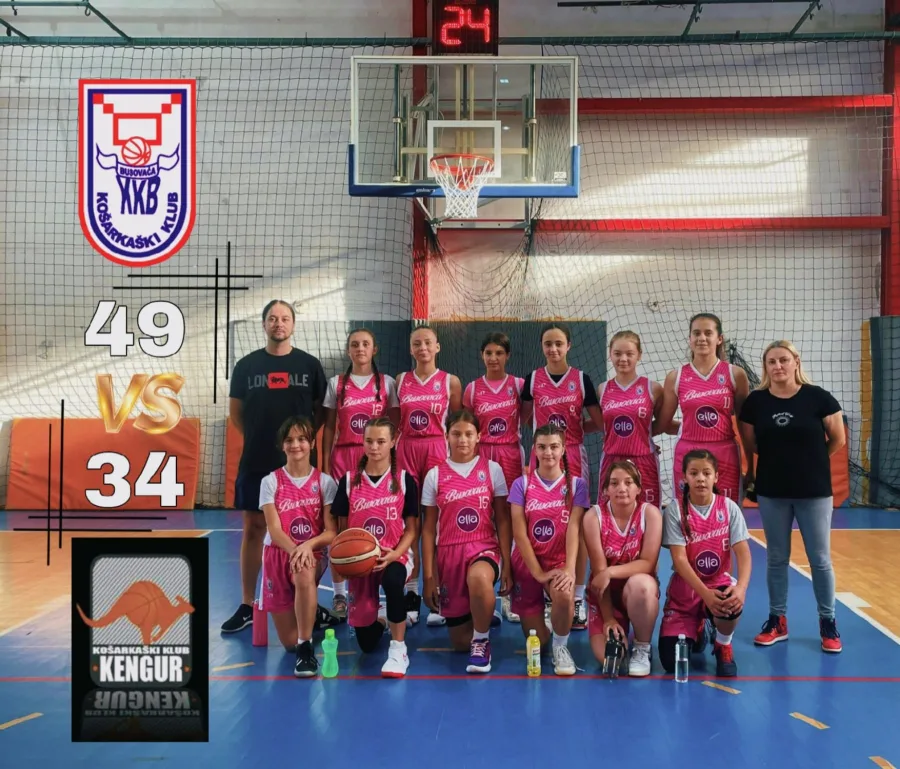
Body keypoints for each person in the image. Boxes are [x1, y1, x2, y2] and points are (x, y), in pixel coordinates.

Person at [222, 299, 329, 635]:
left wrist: (299, 444)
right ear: (264, 324)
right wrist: (261, 438)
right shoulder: (246, 366)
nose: (278, 323)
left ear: (293, 324)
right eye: (272, 318)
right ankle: (247, 604)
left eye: (284, 318)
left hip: (299, 462)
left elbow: (321, 411)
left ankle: (308, 599)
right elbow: (236, 413)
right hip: (257, 459)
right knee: (254, 528)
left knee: (308, 529)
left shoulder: (309, 365)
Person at [738, 340, 845, 653]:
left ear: (796, 361)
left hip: (814, 492)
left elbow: (837, 439)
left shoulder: (818, 397)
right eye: (772, 362)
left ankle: (828, 623)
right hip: (773, 491)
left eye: (783, 360)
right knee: (776, 558)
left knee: (820, 559)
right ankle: (777, 621)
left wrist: (812, 460)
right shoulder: (756, 402)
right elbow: (751, 443)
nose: (778, 366)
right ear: (765, 367)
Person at [520, 322, 604, 630]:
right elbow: (525, 418)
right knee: (538, 521)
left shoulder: (581, 379)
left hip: (573, 455)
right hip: (541, 454)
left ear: (569, 345)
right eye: (548, 344)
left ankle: (577, 596)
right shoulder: (532, 380)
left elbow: (599, 422)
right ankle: (543, 592)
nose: (553, 349)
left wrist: (575, 432)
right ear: (542, 347)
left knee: (575, 527)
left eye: (559, 343)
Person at [421, 410, 512, 674]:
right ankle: (480, 611)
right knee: (461, 643)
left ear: (478, 436)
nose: (462, 439)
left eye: (469, 434)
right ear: (446, 436)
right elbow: (428, 530)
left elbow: (503, 520)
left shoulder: (492, 470)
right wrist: (429, 576)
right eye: (456, 434)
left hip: (483, 546)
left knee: (479, 578)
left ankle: (482, 640)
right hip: (449, 555)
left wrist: (507, 564)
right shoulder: (434, 476)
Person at [331, 417, 419, 677]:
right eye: (369, 441)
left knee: (393, 582)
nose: (374, 447)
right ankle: (382, 617)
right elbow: (342, 533)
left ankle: (398, 649)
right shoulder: (349, 481)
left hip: (394, 555)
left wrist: (396, 554)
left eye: (381, 441)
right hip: (361, 561)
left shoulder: (404, 480)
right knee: (367, 644)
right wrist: (346, 561)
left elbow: (411, 530)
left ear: (393, 442)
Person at [322, 328, 400, 618]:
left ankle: (383, 588)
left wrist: (392, 459)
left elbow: (395, 426)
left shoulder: (387, 383)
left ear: (374, 349)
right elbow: (329, 426)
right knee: (342, 528)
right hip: (344, 457)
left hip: (376, 457)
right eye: (354, 344)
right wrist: (325, 463)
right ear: (348, 350)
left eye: (365, 344)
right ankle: (340, 594)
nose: (360, 348)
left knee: (382, 522)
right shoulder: (336, 383)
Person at [658, 449, 752, 678]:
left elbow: (744, 554)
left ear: (716, 477)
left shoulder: (728, 507)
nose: (700, 478)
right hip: (686, 589)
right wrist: (705, 595)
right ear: (684, 477)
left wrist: (741, 588)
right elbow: (679, 559)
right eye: (694, 473)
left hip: (718, 582)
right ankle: (698, 628)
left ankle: (723, 643)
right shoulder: (675, 510)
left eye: (706, 473)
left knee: (730, 602)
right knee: (671, 663)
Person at [258, 416, 338, 678]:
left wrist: (307, 547)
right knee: (288, 642)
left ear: (312, 443)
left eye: (302, 439)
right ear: (282, 445)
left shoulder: (325, 483)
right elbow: (274, 530)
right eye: (289, 440)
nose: (296, 445)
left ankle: (307, 646)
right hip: (278, 552)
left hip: (311, 553)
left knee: (303, 571)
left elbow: (331, 532)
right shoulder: (270, 482)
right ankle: (313, 616)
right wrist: (295, 549)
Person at [508, 424, 590, 676]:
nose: (548, 453)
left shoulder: (576, 485)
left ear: (563, 449)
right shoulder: (521, 484)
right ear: (534, 449)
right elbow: (519, 534)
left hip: (558, 560)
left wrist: (569, 569)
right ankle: (549, 625)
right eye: (542, 447)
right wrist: (538, 574)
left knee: (564, 594)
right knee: (538, 641)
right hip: (527, 563)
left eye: (554, 447)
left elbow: (574, 529)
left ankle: (561, 647)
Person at [396, 325, 463, 626]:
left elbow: (458, 424)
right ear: (410, 349)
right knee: (409, 523)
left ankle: (439, 591)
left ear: (437, 347)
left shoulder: (450, 381)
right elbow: (394, 421)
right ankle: (411, 591)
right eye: (416, 343)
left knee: (438, 526)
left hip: (437, 449)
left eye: (427, 343)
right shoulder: (400, 380)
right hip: (407, 450)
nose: (422, 348)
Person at [462, 331, 526, 622]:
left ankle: (510, 594)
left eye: (499, 353)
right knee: (481, 518)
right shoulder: (472, 389)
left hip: (510, 453)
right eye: (488, 353)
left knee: (511, 519)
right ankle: (479, 587)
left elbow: (527, 417)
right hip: (482, 454)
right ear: (482, 355)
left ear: (507, 355)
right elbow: (466, 426)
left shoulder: (518, 386)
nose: (493, 358)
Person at [659, 313, 750, 504]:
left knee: (727, 512)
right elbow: (664, 424)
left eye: (708, 333)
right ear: (690, 339)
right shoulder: (676, 377)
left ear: (719, 339)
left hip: (725, 452)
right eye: (696, 333)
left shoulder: (735, 374)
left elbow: (744, 425)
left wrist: (750, 465)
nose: (702, 338)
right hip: (688, 452)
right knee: (687, 513)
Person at [583, 460, 662, 677]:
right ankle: (620, 631)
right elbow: (599, 575)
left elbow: (647, 563)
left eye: (628, 482)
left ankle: (642, 646)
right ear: (606, 490)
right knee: (611, 661)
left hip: (635, 592)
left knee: (642, 584)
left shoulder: (650, 514)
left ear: (638, 488)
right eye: (614, 483)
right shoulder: (593, 517)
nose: (622, 488)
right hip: (604, 596)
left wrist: (610, 572)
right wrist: (608, 618)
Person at [594, 330, 668, 508]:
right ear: (610, 354)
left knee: (648, 513)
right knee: (607, 513)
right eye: (617, 353)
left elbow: (661, 424)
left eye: (629, 354)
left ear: (639, 355)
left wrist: (642, 437)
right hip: (611, 458)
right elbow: (601, 424)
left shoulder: (653, 388)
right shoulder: (602, 389)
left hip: (644, 459)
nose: (623, 359)